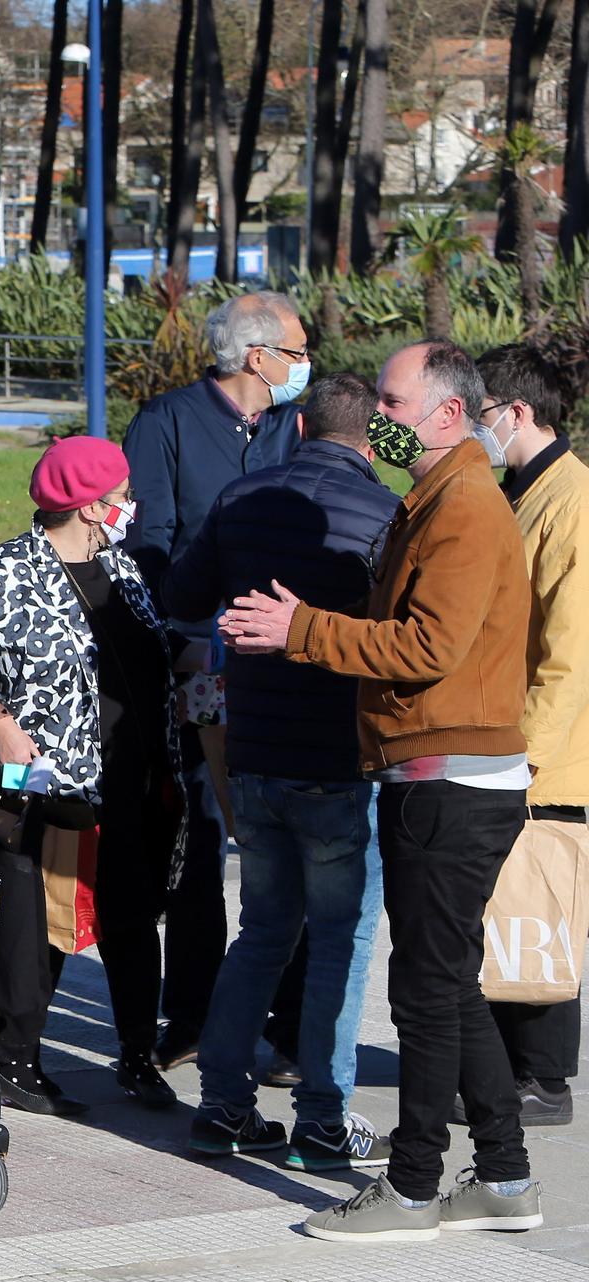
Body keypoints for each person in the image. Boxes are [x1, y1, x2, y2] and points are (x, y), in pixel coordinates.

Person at [223, 339, 541, 1241]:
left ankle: (410, 1189)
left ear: (448, 414)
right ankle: (508, 1181)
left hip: (450, 782)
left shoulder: (466, 510)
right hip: (434, 773)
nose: (380, 423)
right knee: (449, 984)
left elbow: (427, 649)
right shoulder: (435, 497)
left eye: (394, 407)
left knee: (424, 992)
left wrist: (303, 628)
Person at [162, 374, 400, 1171]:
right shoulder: (386, 515)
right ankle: (322, 1119)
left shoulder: (241, 497)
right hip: (339, 756)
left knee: (260, 932)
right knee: (340, 940)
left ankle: (222, 1107)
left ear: (298, 430)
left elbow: (183, 591)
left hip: (256, 749)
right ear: (375, 442)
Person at [0, 436, 183, 1114]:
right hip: (40, 780)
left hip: (125, 777)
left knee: (130, 917)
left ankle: (136, 1057)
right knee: (36, 916)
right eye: (121, 496)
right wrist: (4, 728)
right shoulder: (0, 572)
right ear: (90, 507)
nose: (130, 507)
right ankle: (17, 1059)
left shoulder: (123, 570)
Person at [122, 291, 308, 1070]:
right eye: (298, 350)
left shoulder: (296, 428)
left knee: (287, 846)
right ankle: (191, 1018)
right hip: (195, 671)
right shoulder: (164, 422)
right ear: (257, 357)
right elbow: (149, 543)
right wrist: (187, 639)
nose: (307, 363)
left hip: (286, 667)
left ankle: (291, 1026)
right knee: (196, 849)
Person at [474, 343, 589, 1127]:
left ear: (518, 412)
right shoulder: (525, 487)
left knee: (539, 911)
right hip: (518, 746)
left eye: (480, 415)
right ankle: (517, 1069)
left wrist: (531, 759)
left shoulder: (571, 500)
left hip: (546, 757)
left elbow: (571, 653)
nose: (475, 431)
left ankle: (545, 1080)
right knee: (514, 914)